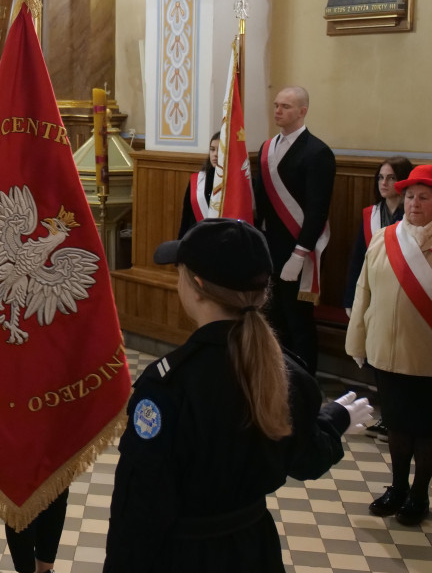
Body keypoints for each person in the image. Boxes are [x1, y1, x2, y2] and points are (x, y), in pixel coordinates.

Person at [104, 218, 372, 572]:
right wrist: (333, 419)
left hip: (184, 557)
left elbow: (139, 510)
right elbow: (306, 458)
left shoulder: (169, 386)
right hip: (253, 548)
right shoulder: (286, 373)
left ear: (196, 285)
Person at [347, 164, 432, 526]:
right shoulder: (384, 238)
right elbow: (363, 291)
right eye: (410, 196)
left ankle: (419, 493)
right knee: (397, 425)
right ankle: (397, 488)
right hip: (387, 351)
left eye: (425, 197)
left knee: (426, 430)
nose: (415, 203)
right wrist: (358, 340)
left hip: (426, 357)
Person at [253, 86, 335, 374]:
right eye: (276, 105)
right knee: (272, 318)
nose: (278, 110)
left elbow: (317, 209)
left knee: (298, 320)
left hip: (298, 250)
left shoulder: (318, 152)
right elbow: (260, 203)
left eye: (286, 106)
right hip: (269, 249)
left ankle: (304, 382)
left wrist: (300, 253)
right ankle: (278, 376)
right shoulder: (266, 149)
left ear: (302, 111)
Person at [343, 157, 413, 439]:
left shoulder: (409, 217)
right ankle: (387, 411)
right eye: (381, 178)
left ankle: (401, 415)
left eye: (391, 178)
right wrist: (350, 297)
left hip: (399, 299)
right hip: (371, 295)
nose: (384, 183)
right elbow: (357, 258)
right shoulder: (371, 214)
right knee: (376, 356)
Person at [179, 131, 220, 237]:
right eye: (212, 149)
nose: (215, 154)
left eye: (220, 150)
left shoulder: (234, 183)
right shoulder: (198, 180)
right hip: (197, 239)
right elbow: (186, 217)